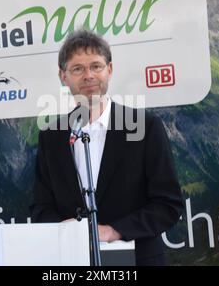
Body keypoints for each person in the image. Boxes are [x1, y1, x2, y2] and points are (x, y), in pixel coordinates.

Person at [30, 29, 184, 266]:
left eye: (96, 66)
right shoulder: (51, 136)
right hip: (72, 262)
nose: (88, 76)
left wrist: (113, 231)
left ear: (109, 70)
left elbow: (168, 205)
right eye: (77, 69)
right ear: (63, 76)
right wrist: (65, 230)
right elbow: (41, 208)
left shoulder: (145, 127)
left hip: (136, 260)